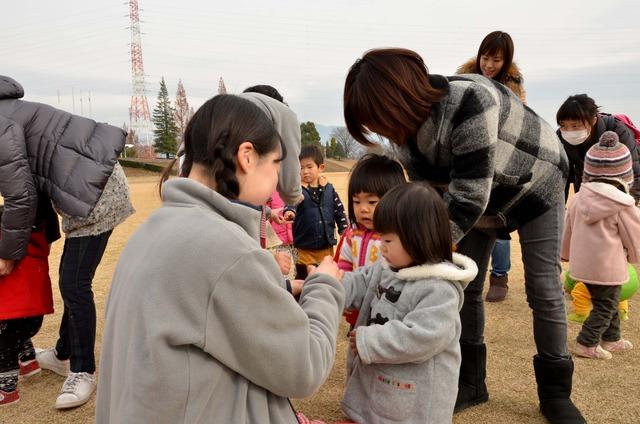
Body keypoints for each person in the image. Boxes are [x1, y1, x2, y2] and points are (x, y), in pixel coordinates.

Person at [343, 48, 585, 423]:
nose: (380, 129)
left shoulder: (471, 99)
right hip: (480, 198)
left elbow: (468, 198)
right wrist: (418, 256)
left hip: (536, 183)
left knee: (543, 288)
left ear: (398, 98)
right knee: (464, 286)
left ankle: (555, 394)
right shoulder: (403, 137)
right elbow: (429, 198)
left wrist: (419, 256)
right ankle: (471, 383)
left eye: (377, 117)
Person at [95, 95, 345, 423]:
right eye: (276, 163)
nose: (277, 178)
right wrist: (323, 287)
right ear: (247, 156)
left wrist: (282, 286)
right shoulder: (225, 250)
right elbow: (303, 367)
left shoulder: (152, 230)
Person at [0, 75, 135, 409]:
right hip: (92, 183)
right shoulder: (10, 110)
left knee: (74, 283)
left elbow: (20, 195)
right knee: (72, 278)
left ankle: (82, 370)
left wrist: (6, 254)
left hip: (94, 192)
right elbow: (31, 181)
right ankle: (63, 354)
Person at [339, 182, 478, 423]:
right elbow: (357, 283)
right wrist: (326, 287)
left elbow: (424, 336)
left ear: (417, 237)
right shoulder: (387, 268)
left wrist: (369, 339)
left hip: (413, 403)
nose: (380, 246)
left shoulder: (439, 287)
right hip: (381, 387)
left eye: (388, 241)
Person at [457, 30, 526, 302]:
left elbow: (515, 127)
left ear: (506, 61)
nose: (489, 65)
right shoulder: (465, 79)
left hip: (499, 160)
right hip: (470, 157)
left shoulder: (513, 88)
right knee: (467, 218)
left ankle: (500, 276)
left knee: (497, 221)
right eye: (485, 57)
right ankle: (465, 272)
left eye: (496, 60)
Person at [561, 131, 640, 360]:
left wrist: (565, 254)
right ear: (625, 173)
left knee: (607, 301)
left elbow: (569, 229)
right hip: (608, 265)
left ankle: (612, 338)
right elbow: (634, 234)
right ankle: (586, 343)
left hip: (583, 266)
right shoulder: (623, 203)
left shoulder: (578, 198)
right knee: (606, 304)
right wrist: (635, 256)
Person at [0, 195, 60, 406]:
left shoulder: (7, 233)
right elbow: (52, 234)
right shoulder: (39, 234)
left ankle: (7, 390)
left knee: (5, 340)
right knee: (19, 331)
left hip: (10, 314)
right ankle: (28, 361)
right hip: (36, 309)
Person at [336, 154, 406, 329]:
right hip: (357, 304)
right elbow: (343, 266)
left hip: (386, 311)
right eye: (356, 201)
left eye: (372, 201)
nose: (363, 209)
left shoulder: (398, 237)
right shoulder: (352, 234)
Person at [557, 94, 640, 204]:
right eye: (563, 125)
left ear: (593, 120)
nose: (569, 131)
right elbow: (561, 177)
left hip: (619, 189)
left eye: (575, 126)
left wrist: (629, 206)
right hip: (585, 189)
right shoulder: (560, 137)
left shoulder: (617, 130)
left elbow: (634, 171)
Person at [293, 145, 348, 276]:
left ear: (320, 168)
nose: (305, 171)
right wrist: (289, 212)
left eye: (309, 167)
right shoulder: (297, 191)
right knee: (304, 277)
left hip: (326, 246)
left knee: (327, 275)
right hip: (304, 247)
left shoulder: (329, 189)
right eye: (301, 168)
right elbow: (291, 204)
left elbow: (338, 210)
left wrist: (344, 229)